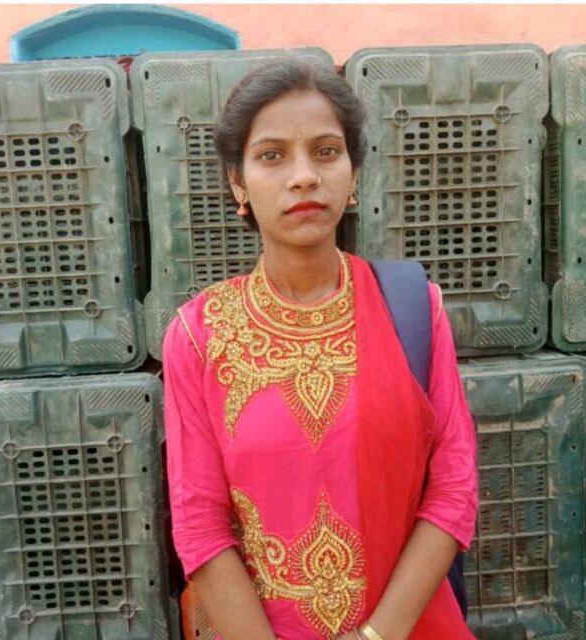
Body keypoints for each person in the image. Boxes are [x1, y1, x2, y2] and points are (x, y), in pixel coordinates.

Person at [162, 57, 478, 640]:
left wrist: (376, 636)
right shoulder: (199, 335)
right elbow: (200, 525)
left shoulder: (412, 310)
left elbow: (453, 490)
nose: (304, 176)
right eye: (272, 155)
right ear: (238, 182)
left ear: (353, 174)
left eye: (326, 151)